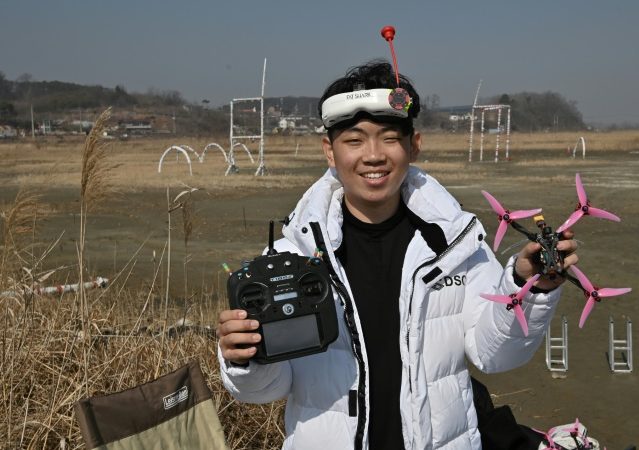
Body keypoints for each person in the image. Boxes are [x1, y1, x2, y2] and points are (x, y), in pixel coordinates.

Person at [217, 60, 578, 450]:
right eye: (354, 141)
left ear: (413, 145)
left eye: (389, 138)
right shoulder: (290, 258)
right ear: (329, 150)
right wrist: (243, 360)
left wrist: (526, 286)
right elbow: (265, 390)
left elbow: (496, 355)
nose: (373, 156)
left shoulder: (456, 245)